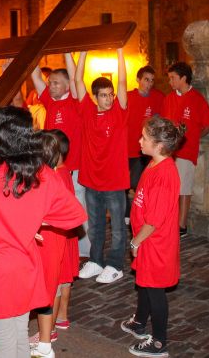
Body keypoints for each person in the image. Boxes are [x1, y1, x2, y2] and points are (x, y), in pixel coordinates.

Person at [0, 106, 86, 358]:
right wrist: (35, 221)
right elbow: (76, 215)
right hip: (24, 268)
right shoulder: (39, 173)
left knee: (5, 347)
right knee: (19, 338)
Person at [121, 116, 184, 358]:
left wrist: (136, 241)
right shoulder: (153, 163)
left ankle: (159, 343)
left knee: (155, 290)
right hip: (147, 241)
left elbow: (154, 221)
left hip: (155, 243)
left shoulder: (166, 174)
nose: (139, 140)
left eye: (144, 138)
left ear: (158, 146)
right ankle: (139, 322)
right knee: (145, 283)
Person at [75, 49, 130, 285]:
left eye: (110, 95)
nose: (109, 99)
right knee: (95, 226)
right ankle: (96, 261)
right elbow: (77, 80)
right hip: (91, 180)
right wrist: (84, 52)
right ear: (95, 96)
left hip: (115, 182)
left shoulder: (118, 113)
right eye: (104, 95)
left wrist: (119, 52)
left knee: (117, 227)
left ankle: (115, 265)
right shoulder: (87, 110)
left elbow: (123, 81)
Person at [31, 57, 88, 258]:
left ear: (66, 86)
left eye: (56, 83)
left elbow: (75, 77)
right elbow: (35, 76)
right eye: (50, 82)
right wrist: (33, 51)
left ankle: (82, 250)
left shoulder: (74, 101)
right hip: (51, 166)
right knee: (53, 205)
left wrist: (67, 53)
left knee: (77, 205)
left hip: (73, 166)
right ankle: (58, 244)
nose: (51, 86)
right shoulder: (48, 100)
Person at [29, 129, 79, 352]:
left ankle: (46, 338)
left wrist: (43, 221)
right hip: (58, 238)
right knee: (57, 282)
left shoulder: (52, 178)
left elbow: (73, 212)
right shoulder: (57, 174)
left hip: (51, 239)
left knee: (50, 286)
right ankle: (57, 323)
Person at [162, 62, 209, 237]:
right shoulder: (169, 98)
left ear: (183, 78)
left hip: (185, 151)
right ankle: (169, 221)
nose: (170, 81)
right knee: (168, 188)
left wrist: (194, 137)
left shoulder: (196, 98)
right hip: (168, 152)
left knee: (183, 188)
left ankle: (182, 225)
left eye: (173, 78)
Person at [125, 66, 165, 223]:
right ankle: (126, 214)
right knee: (123, 184)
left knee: (138, 183)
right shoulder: (128, 96)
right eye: (146, 79)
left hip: (144, 150)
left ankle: (141, 214)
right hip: (125, 148)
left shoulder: (158, 97)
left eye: (152, 80)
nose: (149, 83)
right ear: (138, 80)